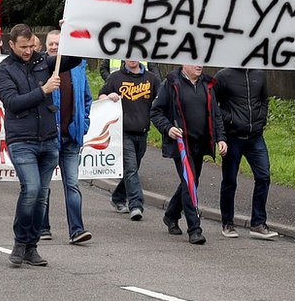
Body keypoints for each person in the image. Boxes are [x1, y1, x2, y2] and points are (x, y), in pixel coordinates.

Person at [0, 24, 84, 266]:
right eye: (23, 47)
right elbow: (12, 102)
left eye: (31, 45)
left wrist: (70, 33)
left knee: (42, 195)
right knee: (31, 189)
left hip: (48, 139)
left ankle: (31, 247)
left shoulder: (45, 61)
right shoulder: (3, 70)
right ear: (11, 44)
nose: (28, 51)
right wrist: (43, 90)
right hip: (21, 140)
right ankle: (19, 242)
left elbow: (76, 58)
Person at [150, 64, 227, 245]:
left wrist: (221, 138)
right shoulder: (170, 83)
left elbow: (215, 114)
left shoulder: (207, 85)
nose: (199, 65)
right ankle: (195, 229)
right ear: (184, 63)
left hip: (200, 144)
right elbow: (156, 111)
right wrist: (168, 128)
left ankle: (171, 215)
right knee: (189, 181)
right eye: (194, 61)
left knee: (192, 181)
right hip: (181, 145)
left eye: (201, 61)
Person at [38, 30, 93, 244]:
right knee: (44, 186)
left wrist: (83, 123)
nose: (54, 47)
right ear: (46, 45)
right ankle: (43, 227)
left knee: (72, 184)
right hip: (48, 137)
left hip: (71, 137)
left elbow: (86, 98)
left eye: (58, 44)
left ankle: (77, 230)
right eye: (51, 44)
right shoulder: (41, 67)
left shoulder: (78, 68)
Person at [214, 67, 278, 240]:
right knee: (229, 180)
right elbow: (212, 104)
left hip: (255, 137)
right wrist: (230, 119)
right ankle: (227, 223)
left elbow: (264, 100)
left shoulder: (259, 74)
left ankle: (258, 223)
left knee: (264, 176)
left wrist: (261, 118)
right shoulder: (223, 76)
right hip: (233, 137)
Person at [99, 59, 161, 221]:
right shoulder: (116, 78)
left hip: (142, 132)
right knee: (131, 168)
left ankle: (118, 197)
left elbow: (162, 99)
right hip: (122, 132)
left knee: (132, 169)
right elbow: (101, 96)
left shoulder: (151, 78)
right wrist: (108, 96)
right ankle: (136, 204)